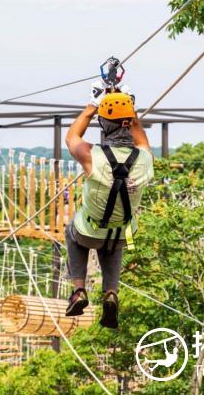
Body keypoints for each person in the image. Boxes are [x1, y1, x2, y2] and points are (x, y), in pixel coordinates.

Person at [64, 81, 154, 328]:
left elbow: (72, 137)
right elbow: (141, 137)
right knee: (114, 240)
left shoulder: (93, 156)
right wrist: (128, 107)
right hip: (124, 232)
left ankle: (79, 289)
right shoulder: (145, 159)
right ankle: (111, 292)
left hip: (88, 232)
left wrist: (93, 104)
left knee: (72, 232)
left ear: (104, 125)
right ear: (127, 124)